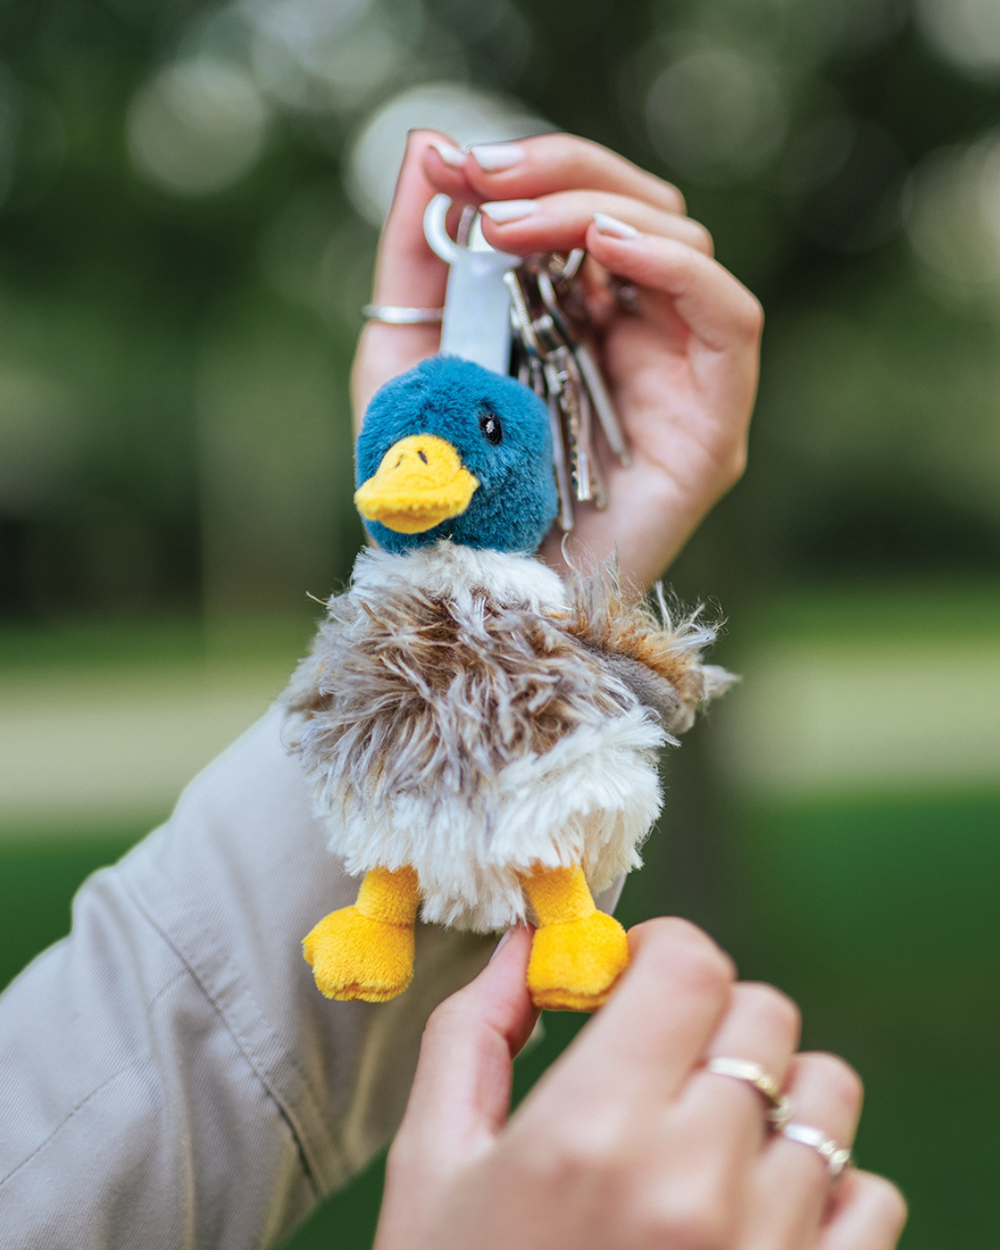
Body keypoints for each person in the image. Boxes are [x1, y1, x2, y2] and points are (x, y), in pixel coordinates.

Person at [0, 131, 906, 1250]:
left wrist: (590, 585)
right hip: (398, 793)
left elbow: (60, 1134)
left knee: (538, 810)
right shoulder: (386, 597)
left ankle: (555, 910)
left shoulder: (529, 575)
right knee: (386, 811)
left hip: (510, 721)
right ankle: (381, 910)